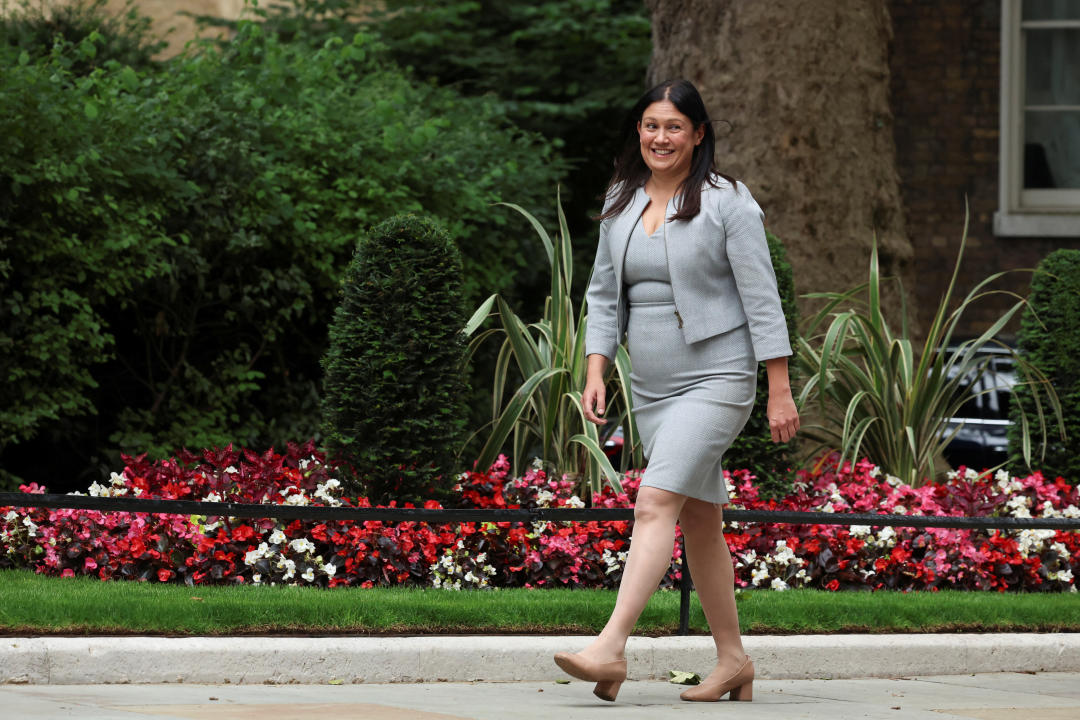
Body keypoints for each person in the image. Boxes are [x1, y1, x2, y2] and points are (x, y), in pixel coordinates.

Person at [552, 79, 800, 703]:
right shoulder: (621, 198)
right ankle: (734, 660)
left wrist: (778, 388)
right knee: (700, 521)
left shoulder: (727, 202)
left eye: (674, 127)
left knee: (653, 503)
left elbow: (762, 297)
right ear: (639, 132)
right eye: (650, 125)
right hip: (653, 384)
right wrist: (595, 369)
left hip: (719, 375)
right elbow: (603, 292)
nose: (660, 137)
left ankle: (610, 648)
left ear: (698, 135)